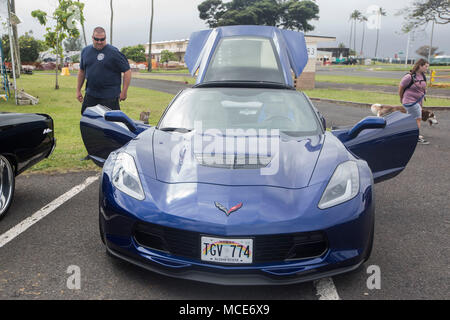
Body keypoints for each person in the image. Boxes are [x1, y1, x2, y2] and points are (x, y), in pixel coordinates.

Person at [77, 27, 131, 114]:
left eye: (102, 39)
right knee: (88, 120)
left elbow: (127, 71)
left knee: (111, 124)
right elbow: (82, 71)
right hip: (90, 95)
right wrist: (78, 90)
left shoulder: (114, 52)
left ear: (105, 38)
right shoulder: (85, 51)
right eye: (96, 39)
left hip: (110, 97)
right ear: (92, 37)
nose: (99, 42)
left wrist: (124, 91)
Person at [398, 58, 429, 145]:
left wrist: (420, 103)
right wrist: (401, 98)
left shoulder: (422, 76)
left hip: (417, 101)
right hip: (409, 101)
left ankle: (406, 134)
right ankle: (416, 137)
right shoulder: (409, 76)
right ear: (420, 66)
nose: (427, 68)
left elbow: (422, 89)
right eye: (426, 66)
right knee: (418, 119)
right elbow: (401, 87)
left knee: (410, 119)